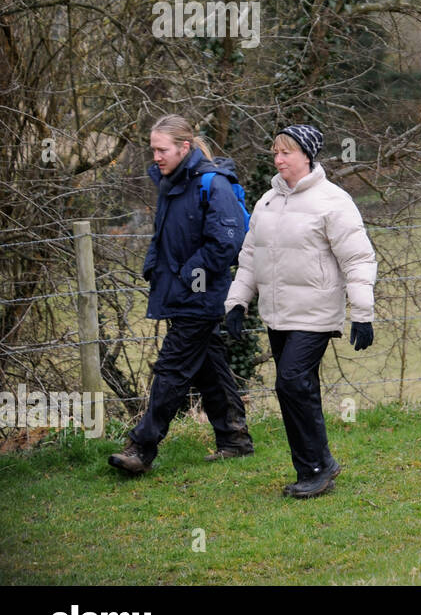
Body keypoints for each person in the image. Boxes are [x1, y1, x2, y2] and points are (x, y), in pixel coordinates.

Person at [225, 125, 377, 498]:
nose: (278, 160)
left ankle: (317, 466)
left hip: (315, 313)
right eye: (275, 153)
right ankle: (312, 467)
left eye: (286, 153)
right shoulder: (267, 202)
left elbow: (358, 258)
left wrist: (362, 313)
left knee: (291, 382)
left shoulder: (332, 201)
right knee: (297, 388)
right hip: (278, 315)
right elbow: (249, 257)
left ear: (307, 156)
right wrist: (237, 302)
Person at [108, 115, 253, 474]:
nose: (155, 156)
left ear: (183, 147)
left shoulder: (211, 184)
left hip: (200, 293)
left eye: (162, 149)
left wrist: (190, 277)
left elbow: (227, 241)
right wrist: (153, 266)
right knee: (208, 366)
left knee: (172, 368)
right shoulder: (171, 182)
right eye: (153, 149)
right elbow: (164, 237)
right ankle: (234, 439)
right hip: (180, 290)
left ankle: (142, 448)